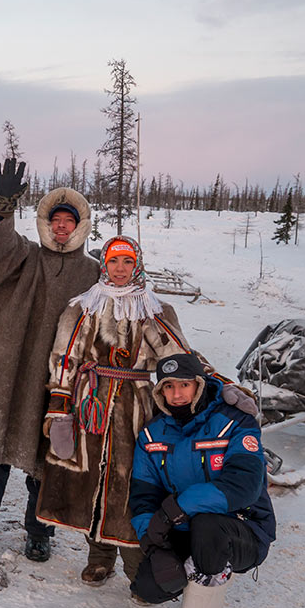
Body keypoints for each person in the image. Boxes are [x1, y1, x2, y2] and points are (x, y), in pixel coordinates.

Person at [0, 158, 100, 568]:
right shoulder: (23, 256)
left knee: (46, 461)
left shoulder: (92, 275)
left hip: (56, 382)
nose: (60, 227)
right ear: (44, 223)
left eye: (68, 222)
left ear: (80, 226)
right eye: (55, 220)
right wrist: (1, 208)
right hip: (9, 373)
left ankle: (40, 532)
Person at [35, 235, 193, 587]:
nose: (120, 269)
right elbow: (65, 359)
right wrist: (59, 409)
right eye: (113, 262)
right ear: (103, 265)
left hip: (137, 408)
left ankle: (136, 563)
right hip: (91, 404)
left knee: (133, 481)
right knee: (93, 479)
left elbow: (178, 358)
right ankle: (99, 556)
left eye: (126, 262)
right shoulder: (84, 307)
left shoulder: (154, 310)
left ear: (136, 265)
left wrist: (210, 386)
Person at [130, 353, 275, 608]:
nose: (177, 394)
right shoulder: (151, 435)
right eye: (168, 387)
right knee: (150, 586)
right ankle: (193, 584)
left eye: (185, 384)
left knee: (209, 526)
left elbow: (244, 486)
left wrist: (180, 504)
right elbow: (143, 495)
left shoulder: (236, 422)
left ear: (200, 384)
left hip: (240, 527)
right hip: (185, 526)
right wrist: (153, 542)